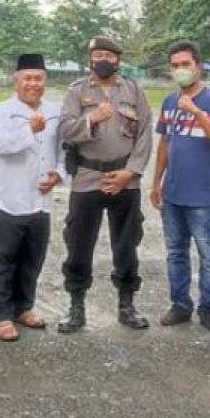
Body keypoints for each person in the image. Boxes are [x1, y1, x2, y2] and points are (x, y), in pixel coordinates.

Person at [56, 35, 153, 333]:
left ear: (118, 60)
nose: (104, 60)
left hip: (125, 180)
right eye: (98, 55)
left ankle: (127, 305)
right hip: (88, 178)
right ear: (90, 59)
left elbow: (145, 133)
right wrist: (92, 119)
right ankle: (76, 306)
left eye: (110, 56)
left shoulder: (133, 90)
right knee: (78, 243)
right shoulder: (77, 92)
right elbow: (63, 130)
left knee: (126, 244)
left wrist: (131, 172)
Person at [150, 40, 210, 332]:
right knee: (176, 252)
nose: (181, 70)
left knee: (208, 255)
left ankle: (208, 308)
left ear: (199, 66)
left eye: (186, 64)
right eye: (175, 66)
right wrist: (156, 181)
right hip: (173, 193)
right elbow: (165, 142)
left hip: (204, 196)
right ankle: (180, 304)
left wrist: (196, 112)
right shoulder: (169, 102)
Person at [0, 53, 62, 342]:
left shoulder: (55, 110)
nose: (33, 83)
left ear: (45, 81)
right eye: (27, 78)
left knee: (33, 258)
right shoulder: (3, 111)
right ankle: (2, 316)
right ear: (16, 81)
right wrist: (29, 128)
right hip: (9, 199)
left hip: (41, 201)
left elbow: (63, 150)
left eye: (38, 78)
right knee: (4, 260)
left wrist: (59, 174)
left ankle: (23, 308)